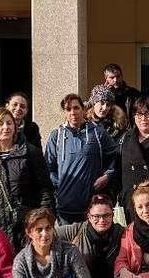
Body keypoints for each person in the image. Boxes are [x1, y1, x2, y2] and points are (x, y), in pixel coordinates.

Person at [0, 107, 55, 251]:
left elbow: (45, 188)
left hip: (27, 225)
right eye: (0, 123)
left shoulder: (30, 152)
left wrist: (44, 217)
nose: (5, 127)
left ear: (15, 127)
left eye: (9, 123)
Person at [45, 94, 118, 224]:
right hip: (65, 208)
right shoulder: (56, 136)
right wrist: (60, 184)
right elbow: (48, 168)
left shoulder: (97, 133)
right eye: (68, 109)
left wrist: (107, 176)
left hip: (92, 207)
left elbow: (116, 157)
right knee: (67, 244)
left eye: (76, 108)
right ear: (64, 112)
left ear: (83, 109)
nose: (73, 112)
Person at [55, 194, 125, 278]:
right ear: (88, 216)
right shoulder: (76, 230)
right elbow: (47, 235)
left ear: (113, 214)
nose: (102, 220)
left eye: (106, 215)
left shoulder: (120, 233)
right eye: (96, 216)